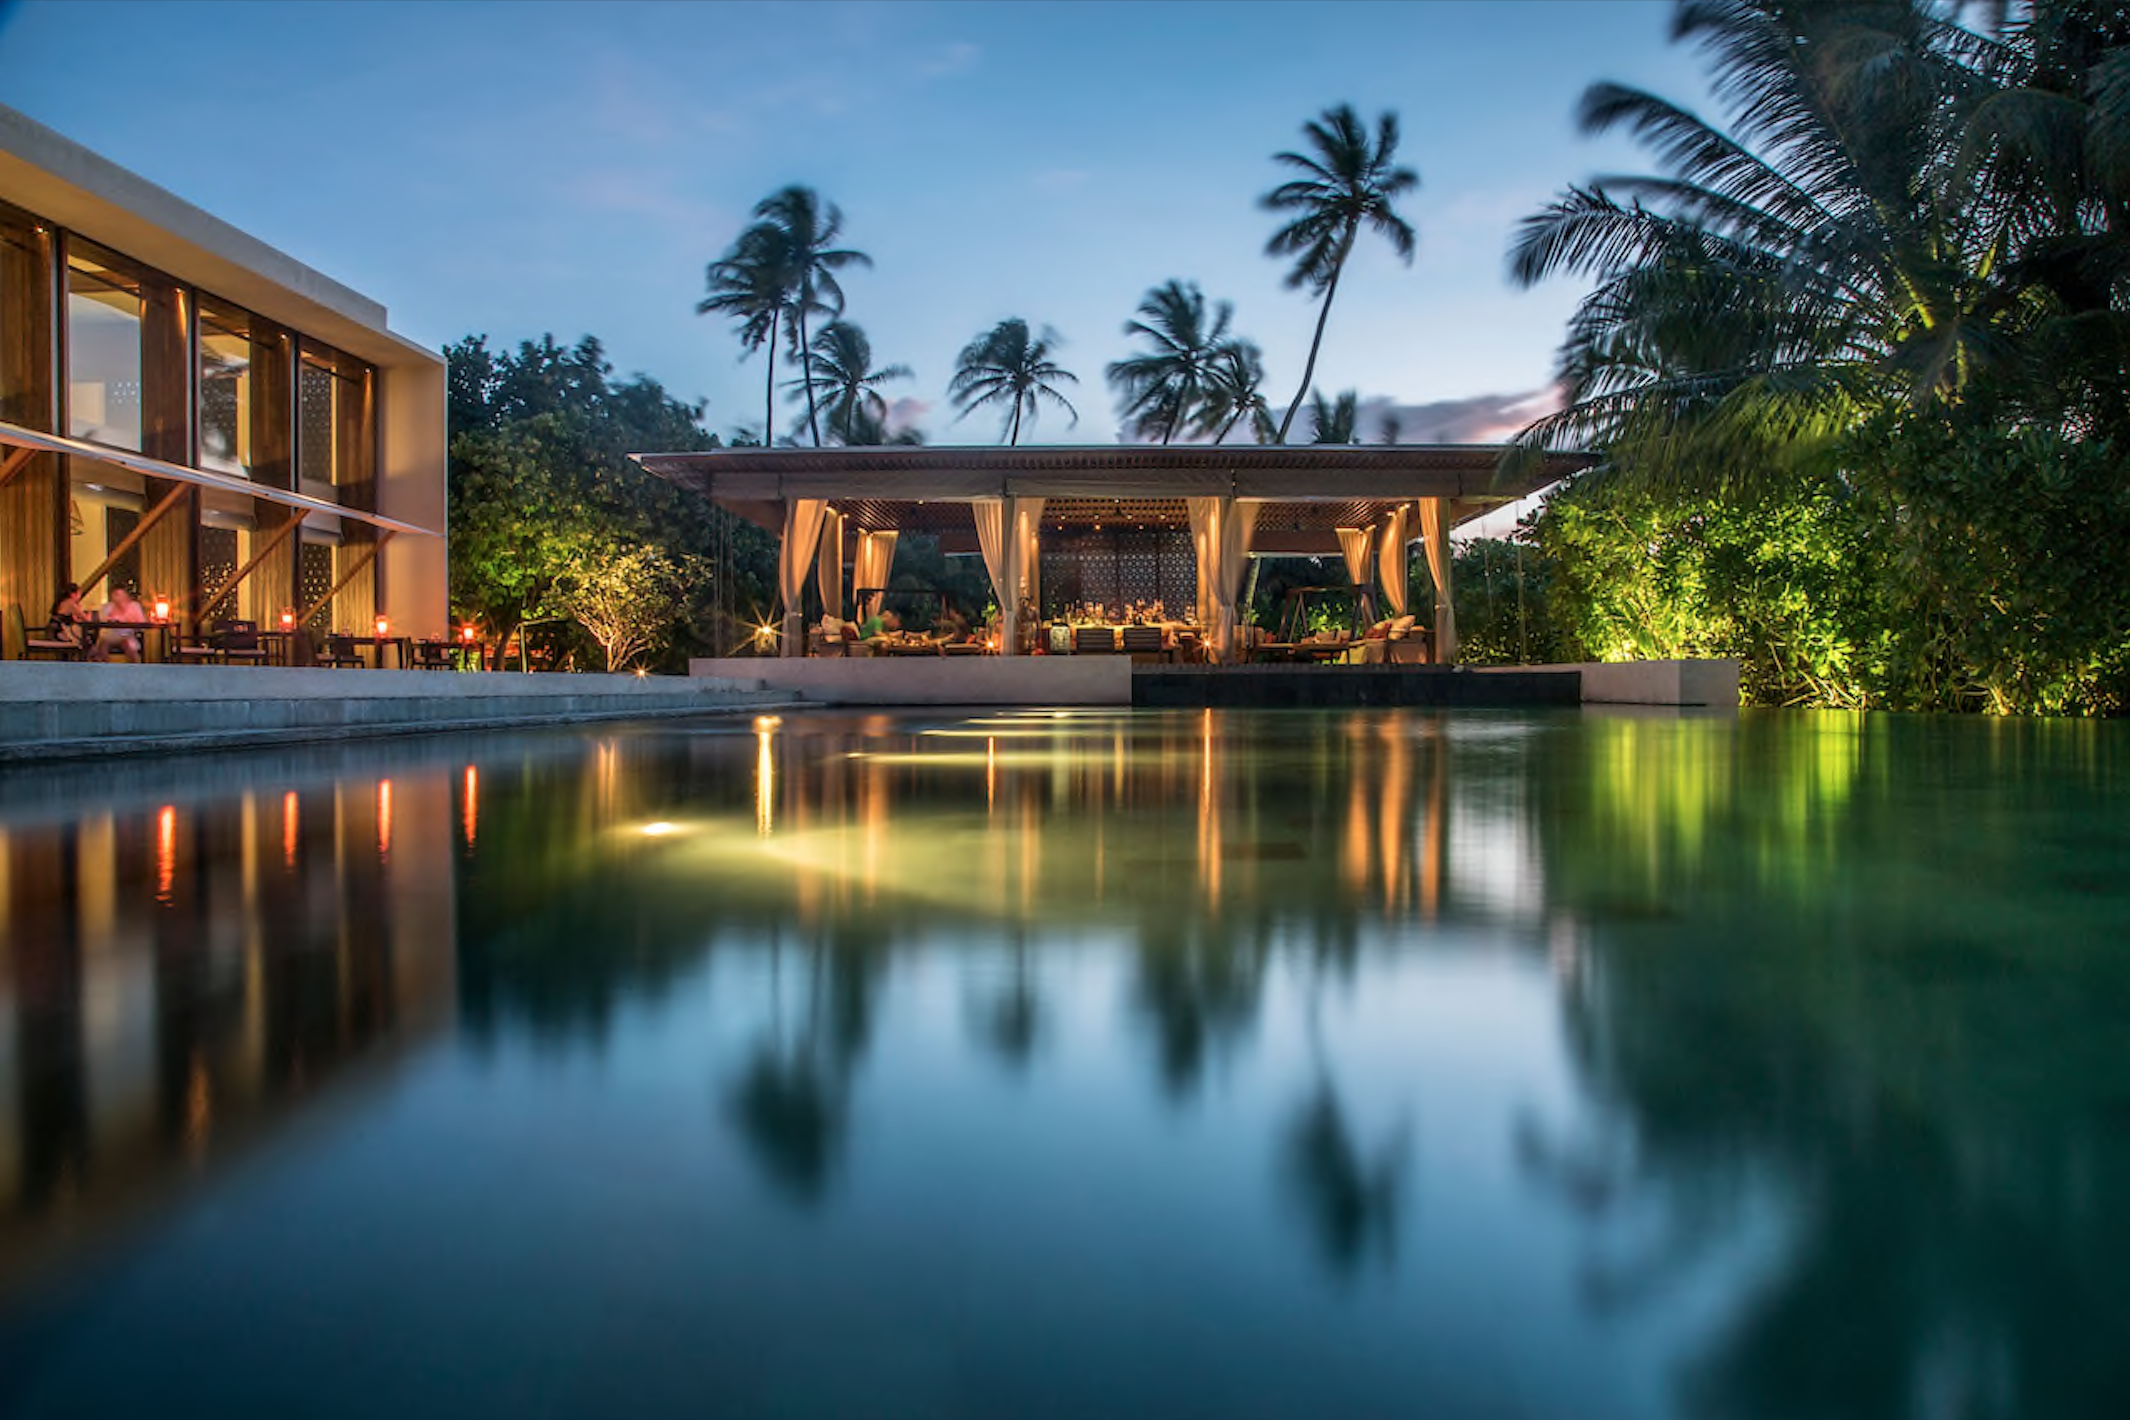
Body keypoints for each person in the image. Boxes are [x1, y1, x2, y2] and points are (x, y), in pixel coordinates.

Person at [92, 585, 144, 663]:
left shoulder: (134, 606)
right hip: (109, 635)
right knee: (103, 643)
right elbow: (102, 620)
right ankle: (103, 667)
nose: (117, 597)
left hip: (127, 635)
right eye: (115, 594)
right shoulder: (107, 607)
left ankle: (135, 668)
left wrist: (129, 620)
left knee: (129, 646)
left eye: (119, 594)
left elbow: (141, 622)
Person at [47, 582, 88, 649]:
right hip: (60, 632)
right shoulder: (70, 603)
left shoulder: (62, 602)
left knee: (82, 637)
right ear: (73, 594)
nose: (80, 596)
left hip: (54, 631)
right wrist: (88, 614)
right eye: (79, 594)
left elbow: (73, 619)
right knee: (85, 639)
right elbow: (85, 618)